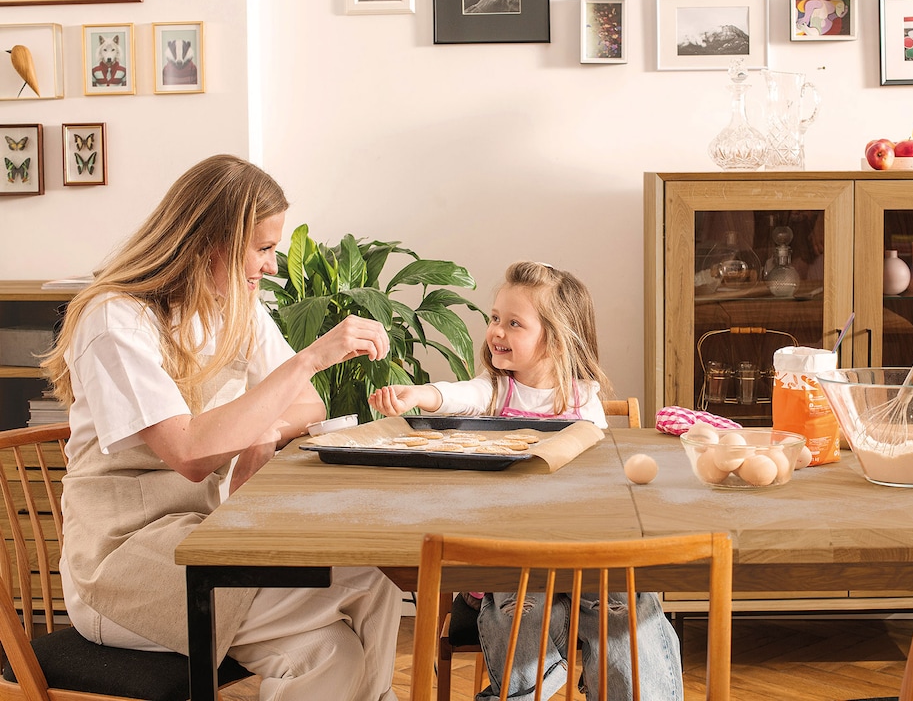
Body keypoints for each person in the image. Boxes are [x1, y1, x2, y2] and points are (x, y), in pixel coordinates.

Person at [41, 154, 402, 701]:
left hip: (202, 538)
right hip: (122, 568)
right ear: (212, 242)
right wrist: (309, 357)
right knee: (366, 583)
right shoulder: (116, 319)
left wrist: (265, 428)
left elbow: (306, 406)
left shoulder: (235, 305)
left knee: (331, 651)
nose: (273, 266)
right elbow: (189, 453)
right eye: (263, 248)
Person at [369, 261, 683, 701]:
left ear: (554, 340)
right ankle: (523, 691)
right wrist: (421, 395)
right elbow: (459, 395)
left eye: (514, 323)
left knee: (625, 607)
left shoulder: (585, 401)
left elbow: (601, 474)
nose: (496, 331)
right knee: (521, 611)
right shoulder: (495, 390)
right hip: (510, 557)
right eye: (495, 318)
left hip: (579, 553)